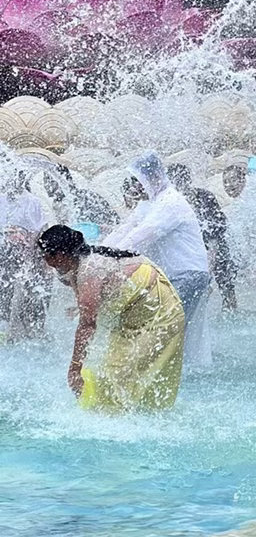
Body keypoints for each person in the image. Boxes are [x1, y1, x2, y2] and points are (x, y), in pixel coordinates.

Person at [38, 224, 185, 410]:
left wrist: (74, 369)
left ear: (59, 255)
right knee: (107, 372)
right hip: (130, 316)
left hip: (160, 315)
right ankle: (117, 414)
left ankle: (137, 418)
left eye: (46, 256)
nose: (44, 261)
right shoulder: (72, 265)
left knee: (118, 373)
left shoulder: (91, 269)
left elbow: (87, 325)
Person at [105, 152, 212, 367]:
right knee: (166, 327)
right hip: (170, 276)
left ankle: (164, 374)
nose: (135, 188)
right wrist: (98, 252)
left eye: (138, 182)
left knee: (166, 327)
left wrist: (110, 258)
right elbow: (126, 228)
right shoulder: (149, 204)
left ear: (153, 178)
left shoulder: (170, 203)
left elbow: (141, 235)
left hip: (189, 275)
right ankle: (170, 370)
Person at [168, 163, 237, 311]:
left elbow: (217, 233)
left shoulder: (204, 197)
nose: (179, 185)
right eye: (175, 182)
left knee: (225, 284)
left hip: (216, 247)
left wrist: (210, 266)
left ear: (188, 180)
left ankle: (231, 312)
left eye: (182, 180)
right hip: (192, 252)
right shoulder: (172, 205)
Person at [0, 165, 50, 341]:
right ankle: (9, 329)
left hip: (26, 254)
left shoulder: (32, 201)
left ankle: (28, 330)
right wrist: (8, 234)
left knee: (24, 293)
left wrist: (25, 238)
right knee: (6, 292)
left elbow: (40, 230)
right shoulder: (2, 199)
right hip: (5, 253)